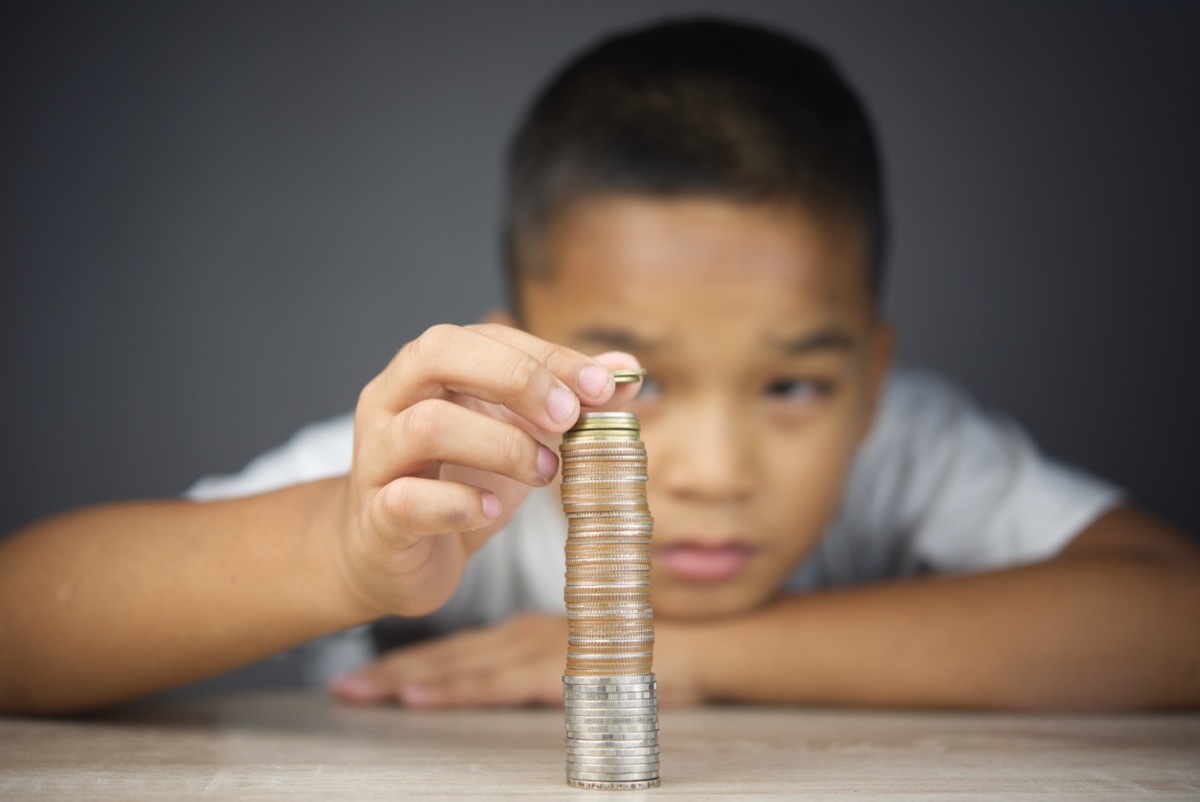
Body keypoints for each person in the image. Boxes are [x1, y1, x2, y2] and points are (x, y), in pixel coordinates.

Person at [1, 18, 1197, 716]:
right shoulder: (457, 470)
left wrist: (693, 656)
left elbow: (1175, 620)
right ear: (519, 365)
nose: (718, 472)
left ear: (872, 382)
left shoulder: (911, 447)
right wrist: (343, 552)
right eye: (641, 381)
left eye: (795, 386)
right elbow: (21, 625)